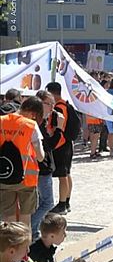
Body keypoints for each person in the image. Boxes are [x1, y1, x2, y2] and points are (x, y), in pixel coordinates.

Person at [0, 97, 45, 228]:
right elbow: (40, 156)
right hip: (26, 179)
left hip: (4, 177)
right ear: (33, 113)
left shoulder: (1, 121)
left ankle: (10, 247)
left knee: (9, 220)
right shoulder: (30, 125)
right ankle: (24, 248)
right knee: (25, 221)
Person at [30, 91, 64, 238]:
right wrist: (59, 128)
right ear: (40, 103)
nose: (52, 108)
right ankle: (30, 228)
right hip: (41, 168)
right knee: (48, 202)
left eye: (53, 104)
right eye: (49, 104)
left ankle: (34, 230)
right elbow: (49, 146)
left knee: (39, 202)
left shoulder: (42, 122)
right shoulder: (36, 123)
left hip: (43, 167)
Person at [46, 82, 76, 214]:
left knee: (62, 175)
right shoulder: (65, 104)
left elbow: (60, 128)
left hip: (61, 144)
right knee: (66, 173)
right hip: (67, 143)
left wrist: (53, 145)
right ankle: (66, 202)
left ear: (51, 93)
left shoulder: (59, 108)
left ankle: (62, 204)